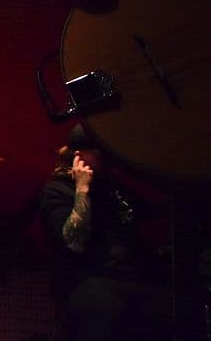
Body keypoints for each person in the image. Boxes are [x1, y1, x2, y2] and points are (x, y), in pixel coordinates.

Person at [39, 123, 172, 341]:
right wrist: (82, 190)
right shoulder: (58, 190)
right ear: (79, 157)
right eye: (101, 156)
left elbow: (150, 210)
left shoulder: (112, 186)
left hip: (131, 277)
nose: (108, 161)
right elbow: (73, 242)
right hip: (89, 280)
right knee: (100, 304)